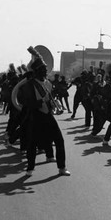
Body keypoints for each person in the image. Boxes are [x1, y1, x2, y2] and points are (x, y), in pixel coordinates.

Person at [20, 46, 70, 176]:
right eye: (43, 69)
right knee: (32, 143)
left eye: (45, 69)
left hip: (48, 115)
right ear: (36, 71)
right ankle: (30, 168)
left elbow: (50, 98)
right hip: (36, 116)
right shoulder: (29, 85)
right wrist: (42, 102)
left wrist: (54, 105)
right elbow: (28, 103)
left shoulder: (47, 83)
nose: (45, 71)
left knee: (59, 140)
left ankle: (62, 167)